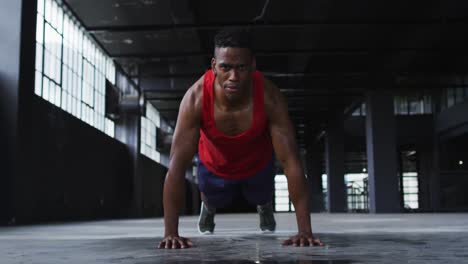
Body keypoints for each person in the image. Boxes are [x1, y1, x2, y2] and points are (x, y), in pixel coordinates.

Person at [158, 28, 323, 249]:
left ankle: (264, 206)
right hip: (214, 165)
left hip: (258, 165)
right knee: (214, 198)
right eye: (226, 67)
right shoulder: (195, 98)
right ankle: (208, 207)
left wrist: (305, 232)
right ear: (214, 65)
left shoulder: (269, 97)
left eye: (241, 68)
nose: (233, 77)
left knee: (261, 194)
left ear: (253, 65)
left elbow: (291, 161)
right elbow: (176, 167)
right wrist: (171, 234)